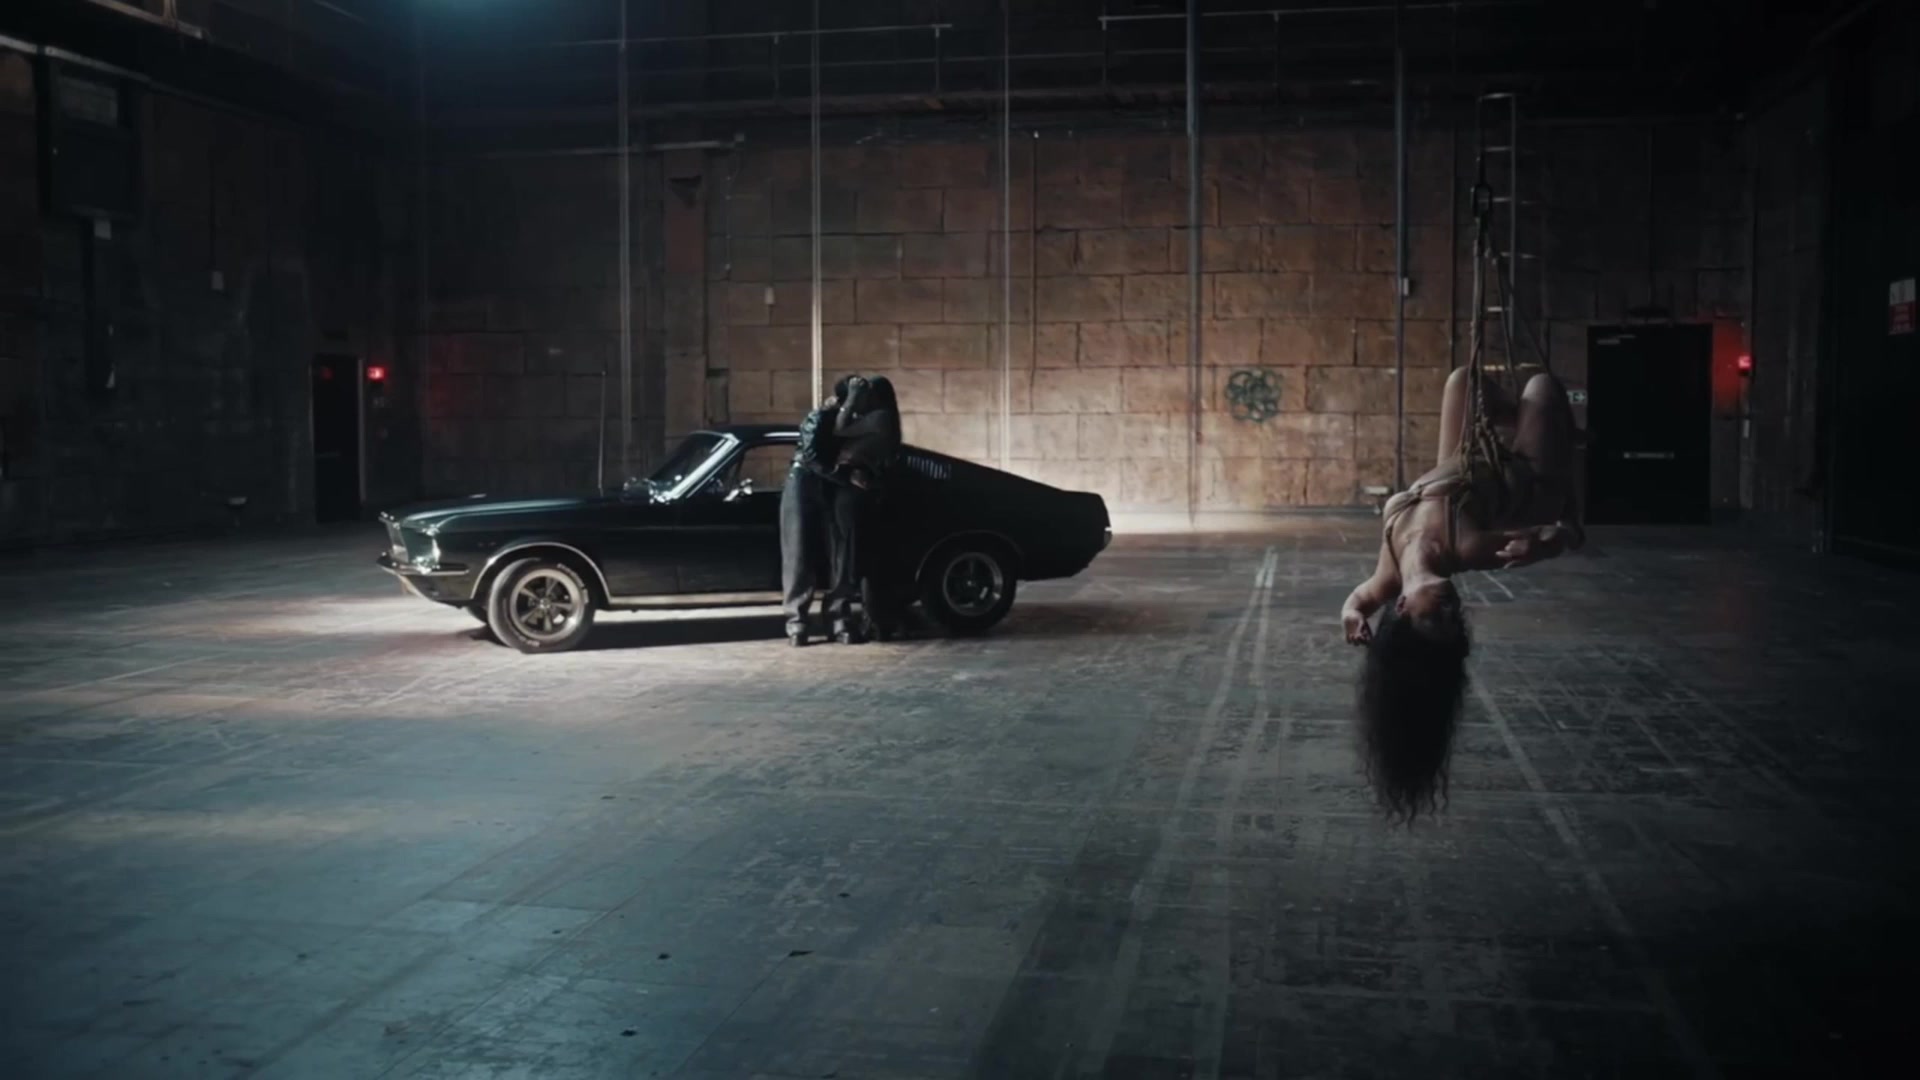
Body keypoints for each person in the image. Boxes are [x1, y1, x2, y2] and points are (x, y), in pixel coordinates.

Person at [1340, 365, 1585, 823]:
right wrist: (1546, 540)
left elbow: (1359, 597)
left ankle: (1519, 419)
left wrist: (1352, 614)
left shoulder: (1390, 572)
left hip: (1462, 462)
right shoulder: (1469, 549)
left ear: (1402, 607)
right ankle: (1545, 436)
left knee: (1462, 380)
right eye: (1455, 622)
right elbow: (1564, 537)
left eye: (1435, 618)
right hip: (1527, 480)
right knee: (1543, 386)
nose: (1452, 610)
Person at [823, 375, 903, 644]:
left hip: (858, 497)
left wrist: (851, 399)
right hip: (863, 494)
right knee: (866, 560)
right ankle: (875, 622)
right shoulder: (880, 419)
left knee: (855, 559)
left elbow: (840, 428)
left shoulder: (880, 417)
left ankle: (869, 621)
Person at [779, 378, 850, 647]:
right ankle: (797, 621)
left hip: (831, 486)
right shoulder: (820, 416)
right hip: (805, 483)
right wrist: (840, 476)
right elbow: (811, 455)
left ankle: (838, 617)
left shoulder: (853, 421)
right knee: (798, 553)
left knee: (839, 555)